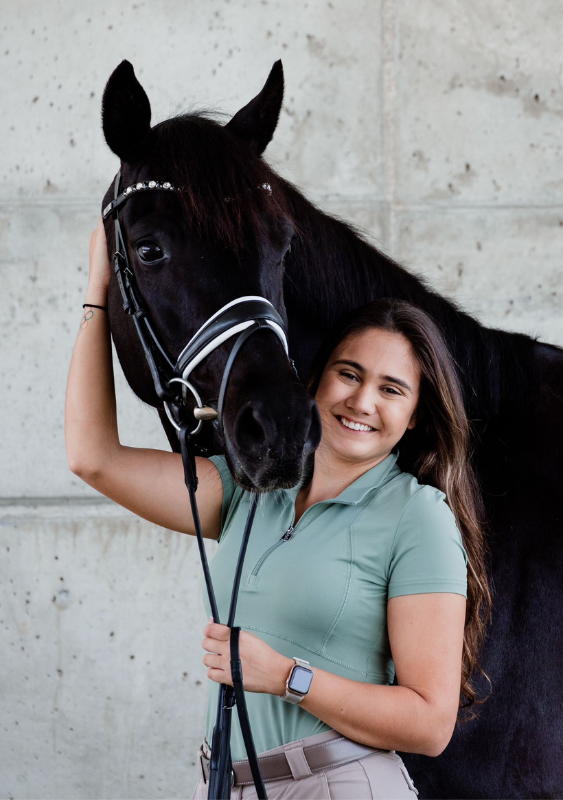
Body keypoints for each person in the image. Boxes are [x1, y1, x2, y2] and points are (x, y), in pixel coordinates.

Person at [66, 218, 492, 799]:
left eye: (391, 389)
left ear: (415, 415)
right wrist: (98, 291)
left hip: (338, 785)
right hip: (226, 784)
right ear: (314, 380)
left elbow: (429, 723)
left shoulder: (418, 517)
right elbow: (93, 458)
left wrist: (286, 677)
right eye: (349, 374)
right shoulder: (249, 487)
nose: (362, 401)